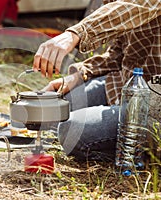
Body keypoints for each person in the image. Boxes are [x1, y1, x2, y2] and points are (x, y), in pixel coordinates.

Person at [33, 0, 161, 160]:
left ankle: (140, 155)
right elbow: (117, 53)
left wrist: (75, 34)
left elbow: (133, 6)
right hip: (124, 85)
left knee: (70, 130)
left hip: (154, 103)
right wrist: (79, 75)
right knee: (54, 110)